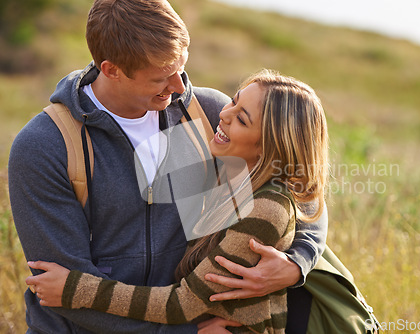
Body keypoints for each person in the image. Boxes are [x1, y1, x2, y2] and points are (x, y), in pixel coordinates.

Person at [8, 0, 328, 333]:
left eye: (181, 67)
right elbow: (62, 289)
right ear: (111, 69)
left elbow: (300, 188)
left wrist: (297, 262)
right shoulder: (46, 146)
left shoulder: (208, 114)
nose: (179, 87)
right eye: (161, 77)